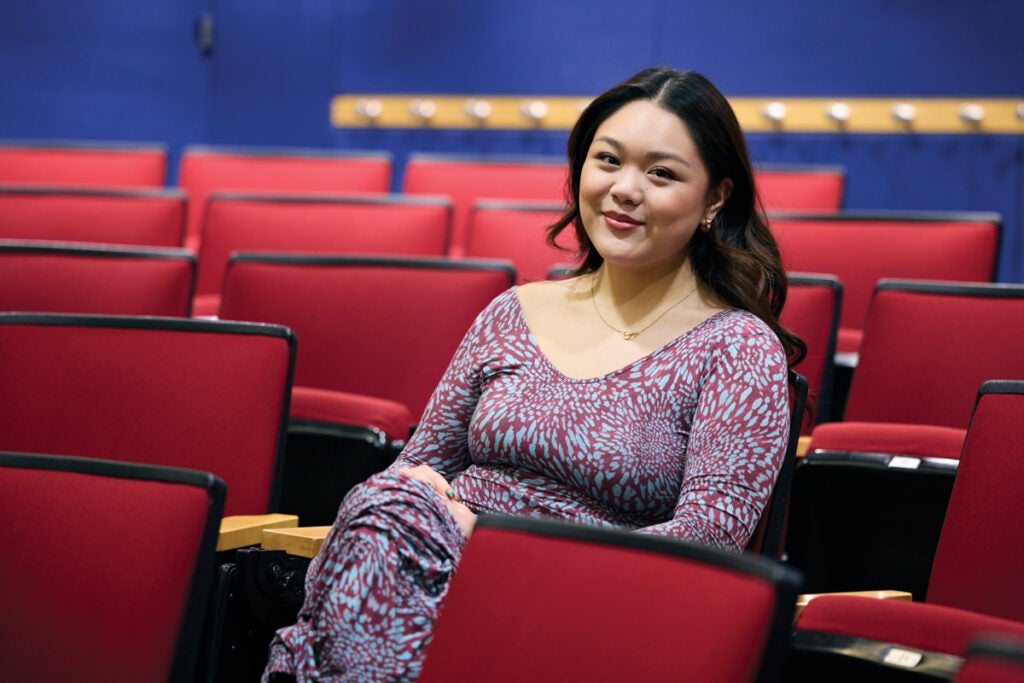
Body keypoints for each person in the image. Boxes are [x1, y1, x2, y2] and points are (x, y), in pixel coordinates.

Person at [262, 66, 805, 683]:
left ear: (715, 199)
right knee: (387, 504)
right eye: (608, 160)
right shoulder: (513, 311)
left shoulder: (736, 347)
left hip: (587, 608)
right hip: (433, 566)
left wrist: (497, 547)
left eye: (661, 173)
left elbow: (706, 542)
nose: (625, 189)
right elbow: (419, 469)